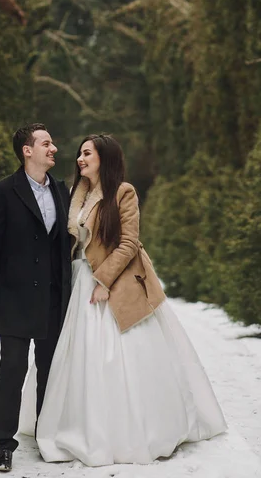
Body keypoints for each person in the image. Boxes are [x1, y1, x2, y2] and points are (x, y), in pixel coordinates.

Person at [33, 134, 227, 466]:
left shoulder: (123, 192)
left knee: (118, 355)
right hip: (78, 283)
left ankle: (131, 430)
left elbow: (129, 243)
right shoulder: (73, 194)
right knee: (77, 357)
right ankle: (73, 423)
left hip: (115, 282)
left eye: (87, 153)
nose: (80, 159)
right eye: (80, 153)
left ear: (104, 158)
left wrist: (103, 282)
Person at [0, 123, 71, 472]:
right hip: (14, 297)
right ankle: (4, 444)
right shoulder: (2, 191)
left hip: (53, 298)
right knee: (13, 369)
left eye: (52, 142)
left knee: (49, 370)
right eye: (46, 143)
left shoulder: (62, 190)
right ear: (27, 151)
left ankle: (46, 435)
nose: (54, 148)